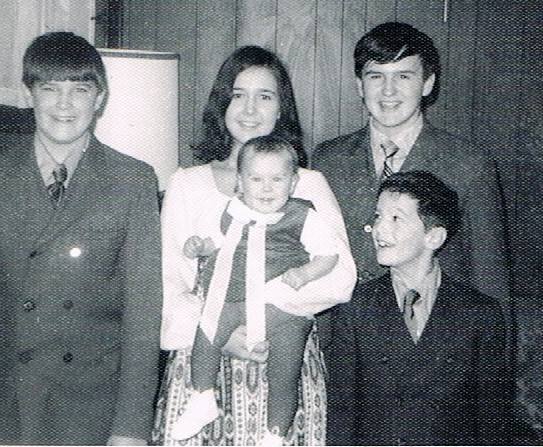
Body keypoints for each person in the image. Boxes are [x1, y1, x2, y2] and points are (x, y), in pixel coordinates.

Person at [153, 45, 356, 446]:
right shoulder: (187, 183)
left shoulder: (307, 184)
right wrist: (223, 332)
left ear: (281, 109)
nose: (250, 109)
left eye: (264, 96)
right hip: (203, 356)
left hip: (283, 355)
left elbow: (341, 276)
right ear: (222, 104)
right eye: (238, 95)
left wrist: (267, 313)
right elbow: (168, 280)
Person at [0, 32, 162, 445]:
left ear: (100, 99)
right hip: (10, 401)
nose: (64, 105)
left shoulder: (132, 180)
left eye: (80, 90)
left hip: (89, 406)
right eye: (50, 89)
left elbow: (143, 316)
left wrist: (130, 429)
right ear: (29, 94)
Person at [312, 22, 510, 347]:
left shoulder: (469, 163)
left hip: (437, 347)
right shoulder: (327, 159)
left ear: (428, 83)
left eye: (403, 76)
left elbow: (491, 280)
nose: (388, 91)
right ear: (360, 85)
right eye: (376, 76)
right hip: (343, 346)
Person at [327, 170, 521, 445]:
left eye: (396, 218)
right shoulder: (356, 307)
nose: (379, 229)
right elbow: (341, 412)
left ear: (434, 237)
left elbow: (492, 418)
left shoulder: (479, 313)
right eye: (378, 216)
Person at [172, 135, 340, 445]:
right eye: (256, 179)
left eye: (277, 179)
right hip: (233, 300)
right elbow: (216, 240)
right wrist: (200, 246)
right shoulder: (229, 212)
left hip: (284, 310)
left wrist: (305, 273)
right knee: (206, 330)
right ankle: (202, 396)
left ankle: (275, 434)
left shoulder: (303, 216)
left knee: (284, 372)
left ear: (293, 182)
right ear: (239, 181)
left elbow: (329, 254)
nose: (266, 188)